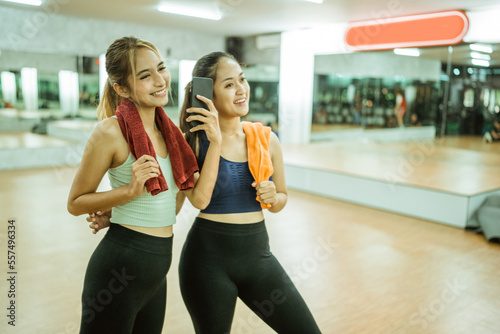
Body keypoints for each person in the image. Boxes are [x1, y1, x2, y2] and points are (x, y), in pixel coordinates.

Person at [67, 36, 221, 334]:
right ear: (121, 88)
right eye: (145, 76)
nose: (160, 80)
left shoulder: (172, 134)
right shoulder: (110, 132)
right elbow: (75, 202)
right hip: (119, 269)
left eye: (161, 69)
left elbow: (196, 200)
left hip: (156, 270)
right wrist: (129, 191)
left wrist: (215, 142)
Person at [176, 52, 321, 333]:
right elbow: (199, 201)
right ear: (207, 94)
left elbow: (281, 200)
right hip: (206, 261)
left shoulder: (267, 139)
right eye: (229, 84)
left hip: (257, 256)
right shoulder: (192, 142)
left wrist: (273, 196)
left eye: (242, 80)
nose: (241, 89)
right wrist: (215, 141)